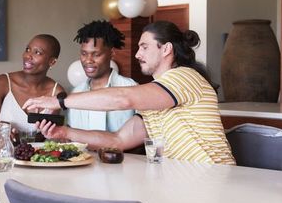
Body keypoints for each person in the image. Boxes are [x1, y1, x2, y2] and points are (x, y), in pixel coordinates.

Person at [23, 21, 236, 165]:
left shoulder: (185, 77)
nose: (137, 54)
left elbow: (123, 98)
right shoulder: (155, 99)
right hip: (183, 180)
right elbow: (118, 140)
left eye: (144, 47)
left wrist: (59, 101)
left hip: (213, 175)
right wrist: (64, 133)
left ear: (166, 49)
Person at [0, 34, 65, 141]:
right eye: (27, 49)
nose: (28, 56)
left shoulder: (57, 92)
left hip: (35, 156)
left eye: (37, 52)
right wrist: (1, 129)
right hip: (2, 155)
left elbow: (48, 136)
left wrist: (19, 137)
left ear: (52, 61)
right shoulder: (3, 82)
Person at [68, 20, 137, 132]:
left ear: (112, 53)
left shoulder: (131, 88)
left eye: (96, 54)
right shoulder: (76, 92)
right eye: (84, 53)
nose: (88, 60)